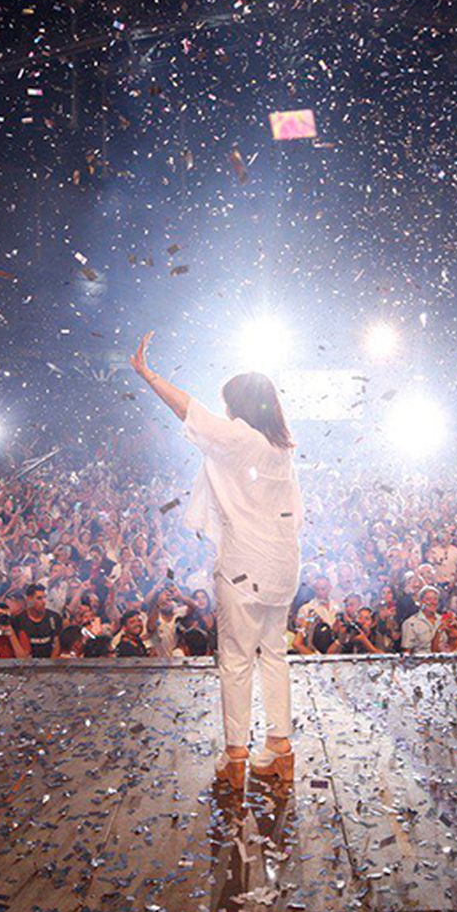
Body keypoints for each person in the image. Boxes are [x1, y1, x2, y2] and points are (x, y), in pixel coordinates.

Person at [132, 331, 302, 784]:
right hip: (283, 566)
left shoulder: (240, 438)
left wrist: (148, 374)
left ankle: (236, 757)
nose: (224, 411)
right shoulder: (281, 448)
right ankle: (280, 749)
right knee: (274, 654)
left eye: (229, 403)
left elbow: (189, 410)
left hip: (245, 567)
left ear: (240, 406)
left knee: (235, 659)